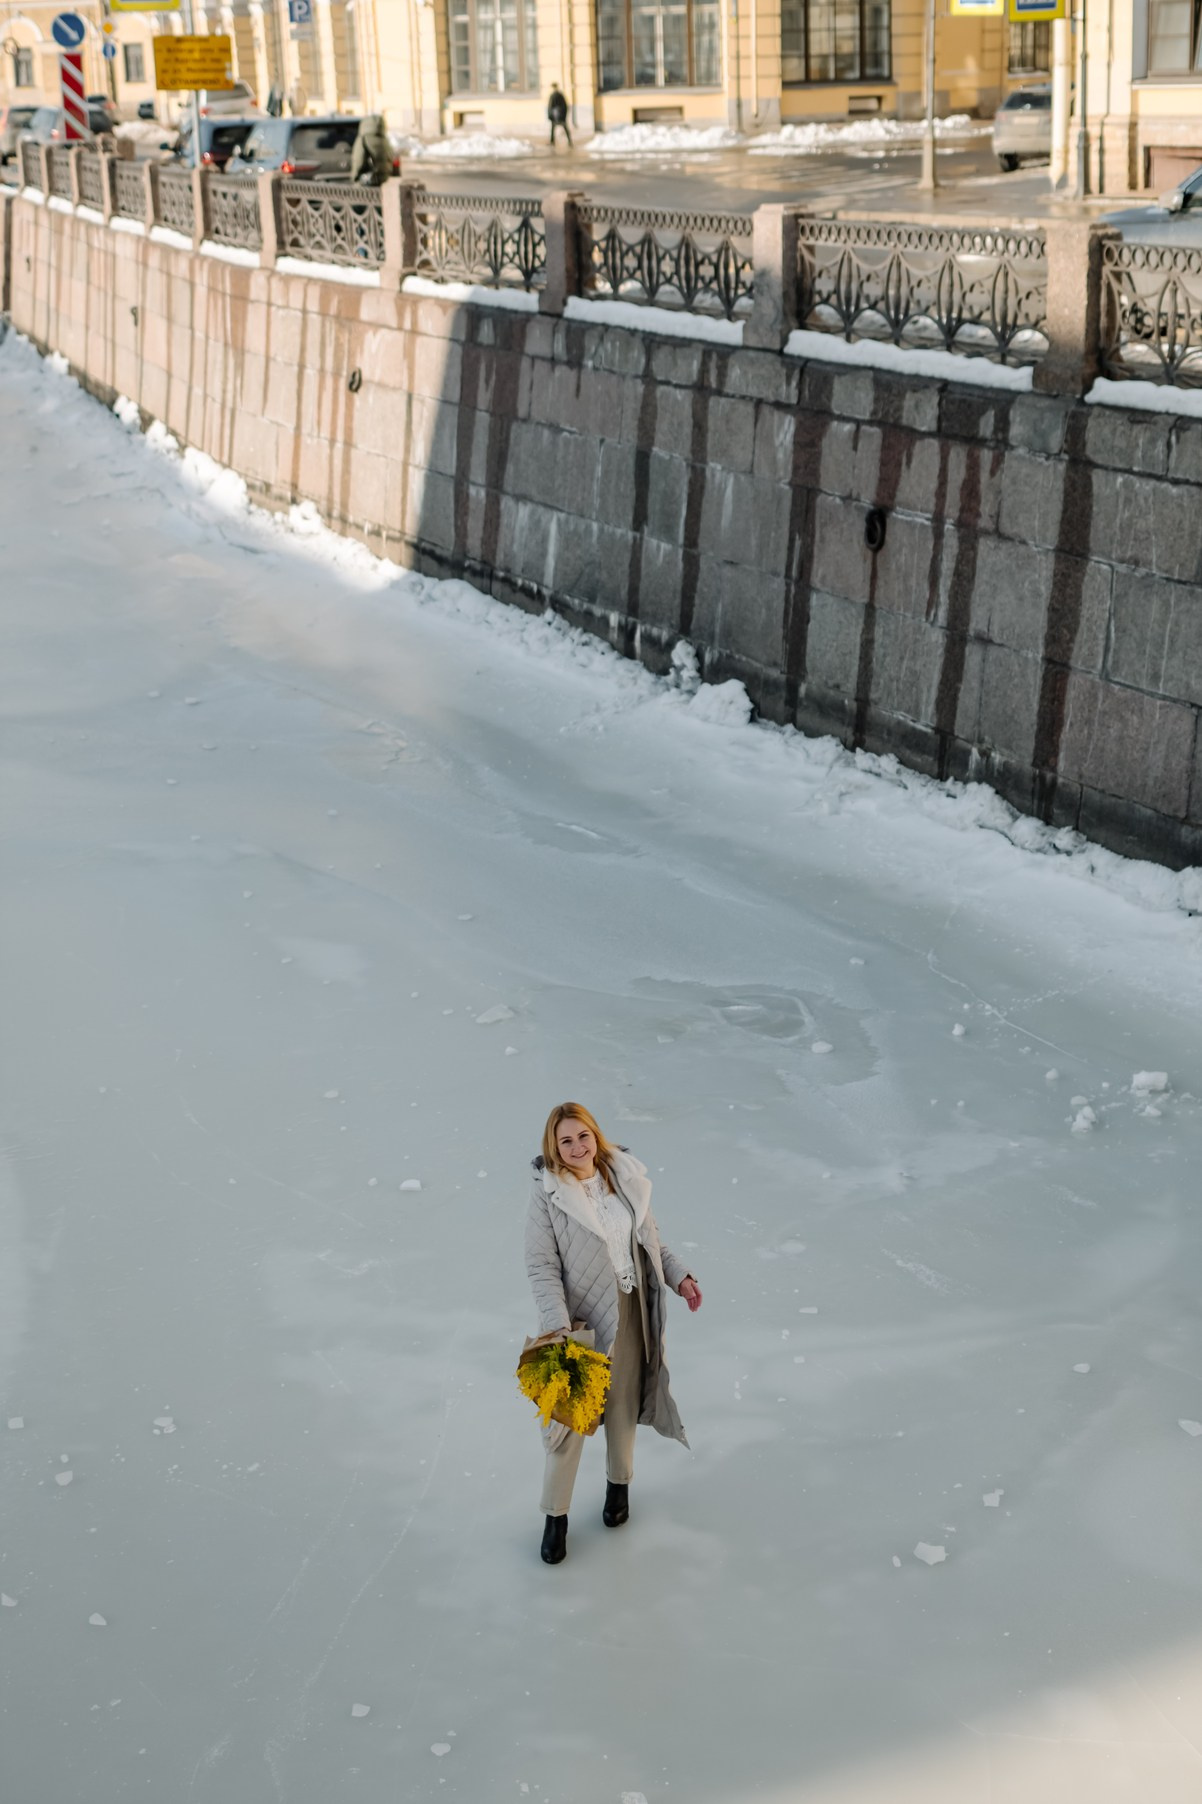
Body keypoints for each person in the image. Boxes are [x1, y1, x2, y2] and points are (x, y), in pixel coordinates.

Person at [525, 1102, 702, 1565]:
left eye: (583, 1136)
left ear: (595, 1135)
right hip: (579, 1326)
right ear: (554, 1147)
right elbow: (542, 1266)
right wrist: (557, 1325)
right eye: (566, 1141)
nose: (577, 1147)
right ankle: (555, 1517)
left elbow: (652, 1242)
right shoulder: (548, 1193)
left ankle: (618, 1490)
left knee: (623, 1409)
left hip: (631, 1311)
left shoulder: (624, 1178)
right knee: (569, 1424)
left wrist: (679, 1277)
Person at [350, 113, 391, 186]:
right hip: (384, 179)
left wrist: (354, 176)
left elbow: (359, 159)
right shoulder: (384, 140)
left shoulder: (363, 139)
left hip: (368, 180)